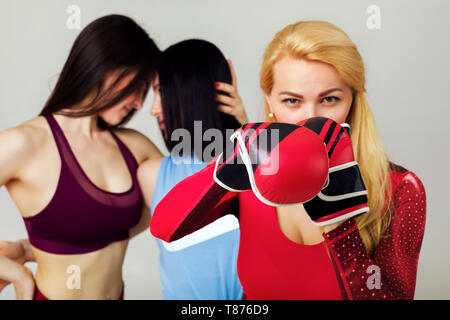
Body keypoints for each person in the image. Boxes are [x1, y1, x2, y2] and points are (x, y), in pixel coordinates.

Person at [150, 21, 427, 300]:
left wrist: (341, 230)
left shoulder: (399, 187)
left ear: (353, 99)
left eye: (329, 99)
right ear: (269, 100)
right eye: (292, 101)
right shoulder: (254, 174)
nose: (310, 117)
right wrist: (225, 168)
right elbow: (164, 228)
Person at [0, 14, 162, 300]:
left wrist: (237, 126)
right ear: (104, 67)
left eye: (145, 90)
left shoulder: (135, 147)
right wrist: (18, 276)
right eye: (136, 86)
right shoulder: (24, 143)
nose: (139, 102)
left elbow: (192, 200)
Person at [138, 39, 246, 299]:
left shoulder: (252, 167)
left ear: (192, 92)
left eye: (160, 92)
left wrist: (246, 126)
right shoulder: (151, 175)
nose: (153, 109)